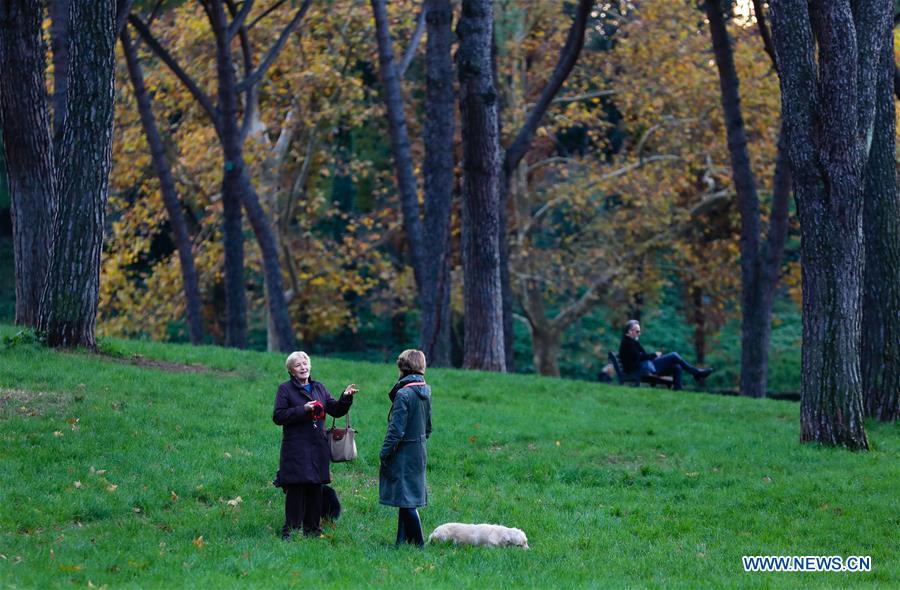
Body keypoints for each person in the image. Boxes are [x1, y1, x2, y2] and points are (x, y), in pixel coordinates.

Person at [273, 351, 358, 540]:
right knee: (295, 489)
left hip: (318, 447)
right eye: (298, 365)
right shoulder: (285, 390)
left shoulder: (319, 388)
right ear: (291, 371)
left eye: (305, 363)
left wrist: (345, 397)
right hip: (295, 448)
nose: (303, 367)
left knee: (315, 488)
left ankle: (312, 531)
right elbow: (278, 416)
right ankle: (292, 531)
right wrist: (303, 409)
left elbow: (335, 410)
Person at [379, 349, 432, 547]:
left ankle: (419, 543)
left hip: (403, 452)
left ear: (403, 367)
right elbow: (428, 427)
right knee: (406, 497)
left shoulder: (403, 394)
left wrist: (385, 452)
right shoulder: (426, 390)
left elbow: (396, 430)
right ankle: (401, 541)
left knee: (407, 501)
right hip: (419, 450)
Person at [618, 319, 713, 391]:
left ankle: (678, 391)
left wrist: (652, 355)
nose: (639, 334)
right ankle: (696, 372)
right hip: (640, 369)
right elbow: (639, 358)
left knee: (677, 367)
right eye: (637, 331)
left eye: (639, 331)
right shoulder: (627, 343)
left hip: (645, 366)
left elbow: (641, 356)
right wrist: (654, 355)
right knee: (674, 355)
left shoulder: (632, 342)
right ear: (629, 332)